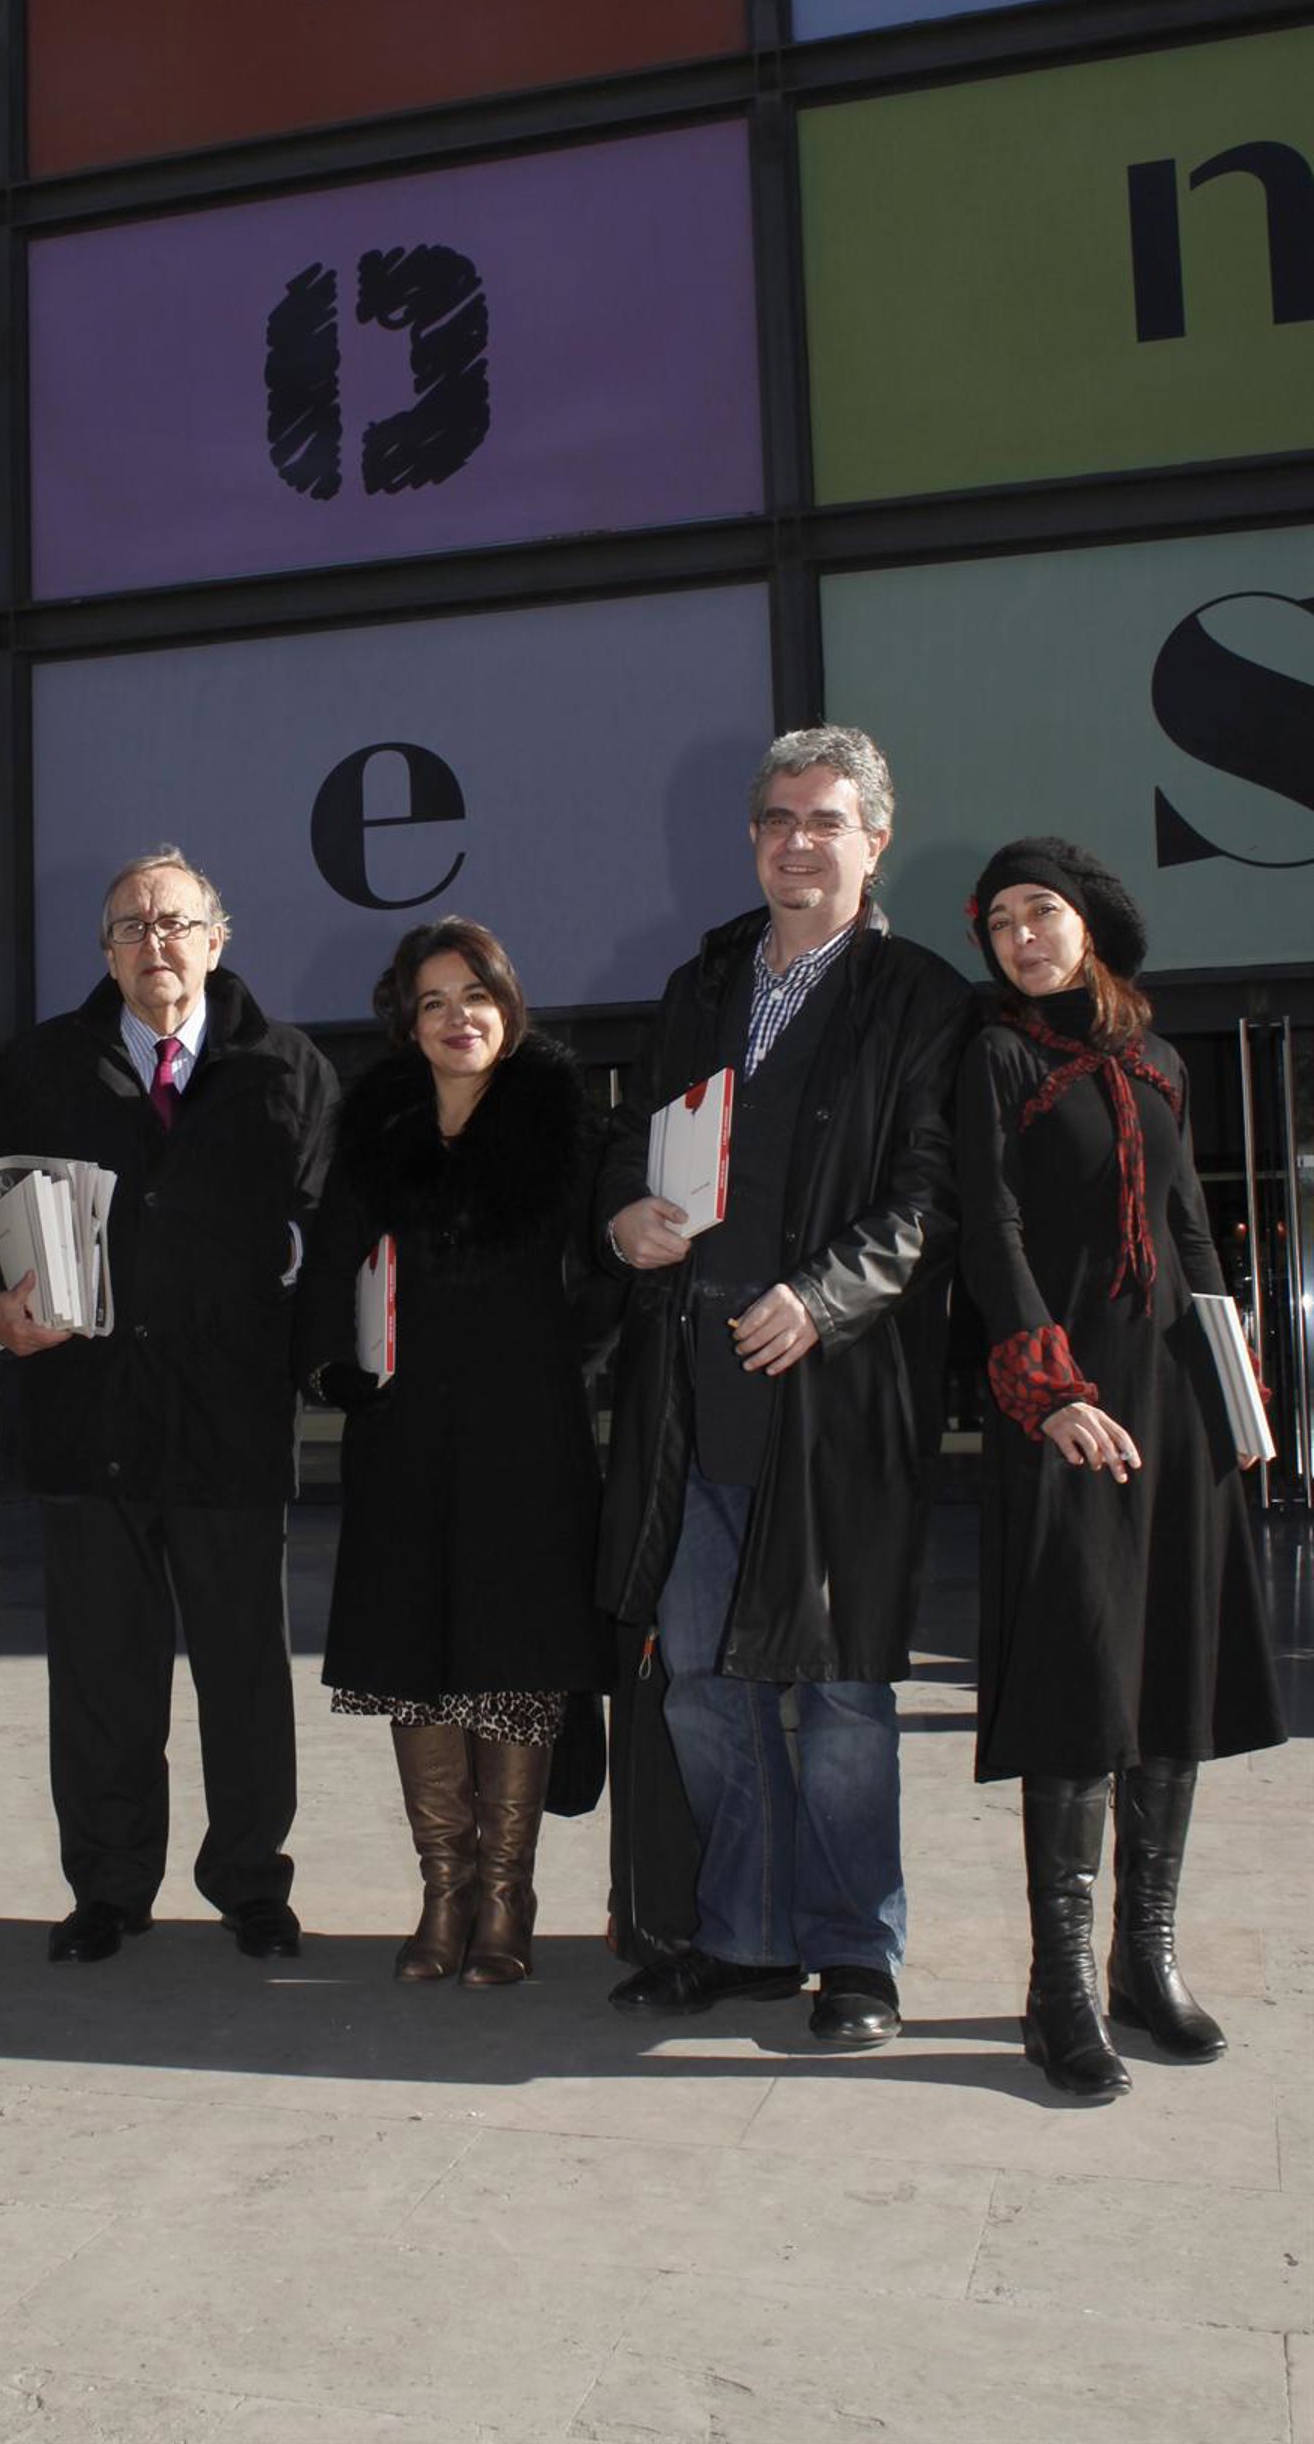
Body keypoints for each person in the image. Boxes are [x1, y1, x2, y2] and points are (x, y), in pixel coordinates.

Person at [596, 724, 974, 2044]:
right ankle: (747, 1937)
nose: (798, 842)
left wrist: (821, 1298)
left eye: (826, 821)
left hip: (836, 1406)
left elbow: (933, 1198)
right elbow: (635, 1142)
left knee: (845, 1696)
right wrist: (624, 1216)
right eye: (777, 819)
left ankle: (856, 1953)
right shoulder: (700, 985)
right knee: (706, 1685)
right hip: (693, 1398)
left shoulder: (923, 999)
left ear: (876, 840)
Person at [0, 847, 336, 1965]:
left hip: (230, 1421)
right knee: (101, 1678)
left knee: (244, 1675)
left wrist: (286, 1256)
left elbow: (332, 1215)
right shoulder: (45, 1067)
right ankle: (109, 1888)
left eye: (174, 923)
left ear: (217, 941)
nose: (154, 943)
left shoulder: (287, 1067)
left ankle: (251, 1883)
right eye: (130, 927)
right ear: (106, 953)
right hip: (91, 1420)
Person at [959, 838, 1285, 2097]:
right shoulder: (995, 1056)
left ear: (1089, 922)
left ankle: (1146, 1961)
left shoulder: (1158, 1061)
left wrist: (1235, 1390)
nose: (1022, 937)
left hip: (1175, 1405)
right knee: (1080, 1678)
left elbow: (1189, 1227)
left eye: (1041, 912)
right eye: (1001, 922)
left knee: (1169, 1675)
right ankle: (1061, 1992)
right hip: (1069, 1405)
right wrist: (1049, 1395)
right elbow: (990, 1229)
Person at [296, 920, 609, 1987]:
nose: (457, 1017)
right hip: (405, 1439)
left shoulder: (564, 1124)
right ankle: (445, 1890)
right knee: (418, 1666)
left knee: (514, 1662)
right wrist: (335, 1372)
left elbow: (610, 1269)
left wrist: (564, 1356)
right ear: (408, 1023)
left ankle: (508, 1896)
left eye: (474, 994)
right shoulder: (374, 1126)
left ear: (507, 1006)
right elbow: (329, 1270)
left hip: (526, 1441)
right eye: (432, 1001)